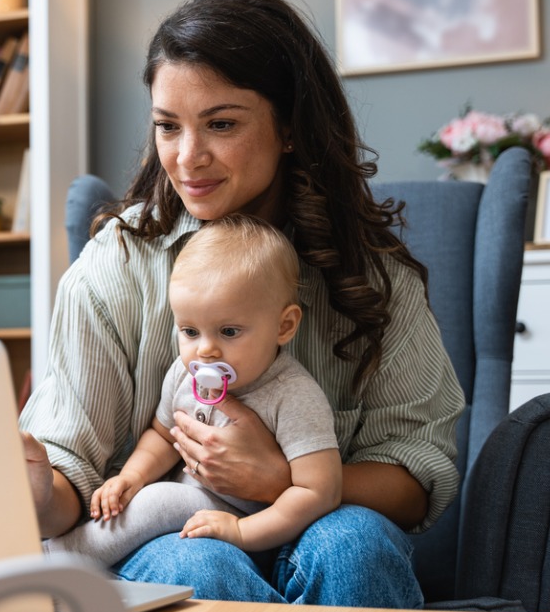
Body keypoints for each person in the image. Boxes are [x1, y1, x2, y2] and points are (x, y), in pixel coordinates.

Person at [19, 0, 463, 609]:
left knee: (355, 547)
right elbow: (72, 477)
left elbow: (416, 478)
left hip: (322, 524)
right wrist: (36, 488)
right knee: (200, 564)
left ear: (290, 127)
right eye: (167, 127)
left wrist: (280, 479)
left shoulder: (373, 274)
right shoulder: (114, 264)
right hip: (173, 534)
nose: (187, 158)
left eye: (221, 124)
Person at [44, 215, 341, 567]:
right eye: (189, 331)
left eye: (228, 332)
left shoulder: (293, 395)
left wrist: (242, 530)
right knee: (143, 498)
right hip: (194, 516)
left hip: (255, 523)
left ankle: (61, 561)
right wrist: (132, 476)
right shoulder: (184, 373)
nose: (205, 351)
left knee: (158, 502)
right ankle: (74, 563)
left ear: (284, 326)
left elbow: (319, 491)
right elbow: (162, 435)